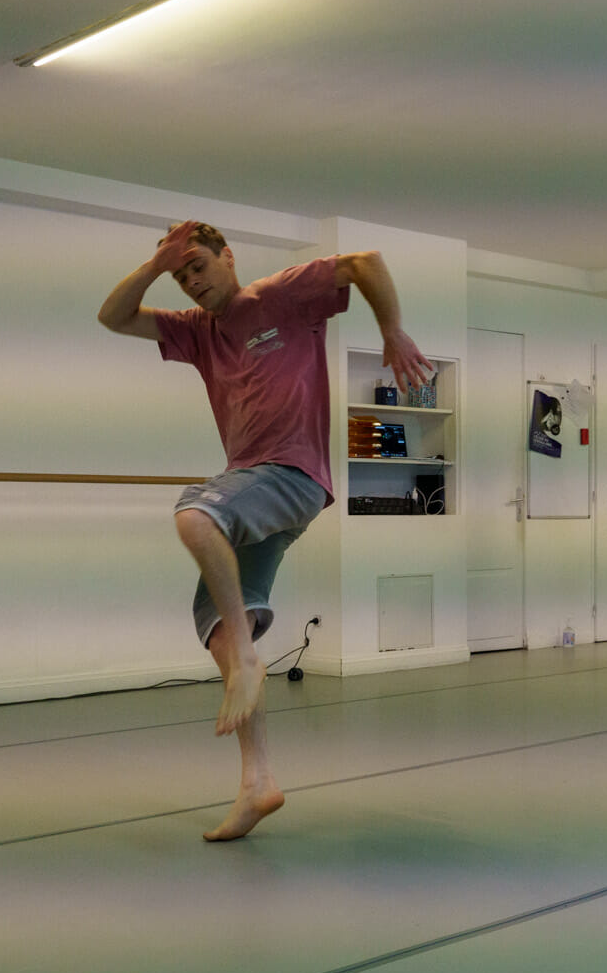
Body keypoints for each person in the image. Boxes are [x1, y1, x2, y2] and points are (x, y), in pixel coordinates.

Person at [98, 221, 431, 840]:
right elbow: (113, 316)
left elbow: (365, 262)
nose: (191, 282)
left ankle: (249, 662)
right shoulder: (196, 331)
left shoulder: (280, 294)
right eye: (181, 276)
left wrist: (392, 331)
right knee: (219, 623)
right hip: (253, 484)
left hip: (292, 473)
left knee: (197, 514)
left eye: (198, 266)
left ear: (228, 257)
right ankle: (257, 780)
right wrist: (155, 266)